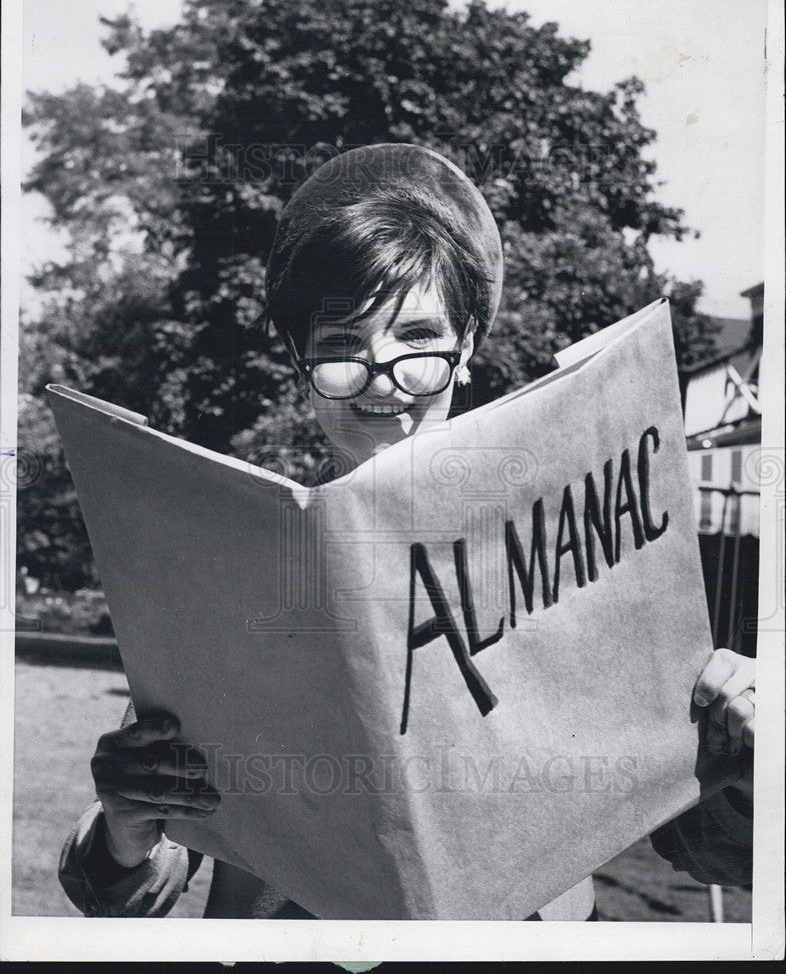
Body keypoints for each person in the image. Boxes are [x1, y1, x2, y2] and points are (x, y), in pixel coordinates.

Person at [59, 144, 755, 920]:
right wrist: (125, 826)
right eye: (341, 350)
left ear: (466, 350)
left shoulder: (577, 547)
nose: (384, 381)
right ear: (300, 363)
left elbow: (709, 846)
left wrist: (747, 756)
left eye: (419, 342)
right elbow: (126, 895)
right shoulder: (239, 570)